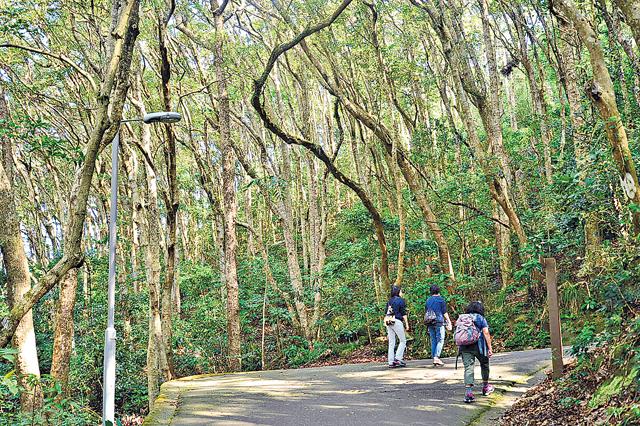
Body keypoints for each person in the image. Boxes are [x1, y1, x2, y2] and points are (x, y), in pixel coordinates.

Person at [458, 301, 494, 403]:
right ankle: (486, 387)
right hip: (480, 346)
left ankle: (468, 393)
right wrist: (490, 348)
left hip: (465, 346)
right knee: (485, 364)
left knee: (468, 368)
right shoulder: (480, 318)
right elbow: (486, 333)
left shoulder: (463, 318)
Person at [425, 285, 452, 366]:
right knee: (440, 339)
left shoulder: (428, 300)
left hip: (430, 322)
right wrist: (449, 321)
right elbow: (444, 312)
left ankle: (434, 357)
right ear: (438, 291)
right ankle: (436, 357)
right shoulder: (441, 300)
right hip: (439, 322)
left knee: (433, 340)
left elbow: (426, 311)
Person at [385, 285, 409, 368]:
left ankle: (391, 361)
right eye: (401, 291)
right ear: (398, 292)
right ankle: (398, 358)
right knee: (403, 340)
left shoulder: (389, 301)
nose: (402, 293)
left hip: (388, 321)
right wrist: (407, 324)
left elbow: (386, 312)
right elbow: (403, 313)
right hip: (397, 321)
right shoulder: (401, 300)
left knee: (391, 342)